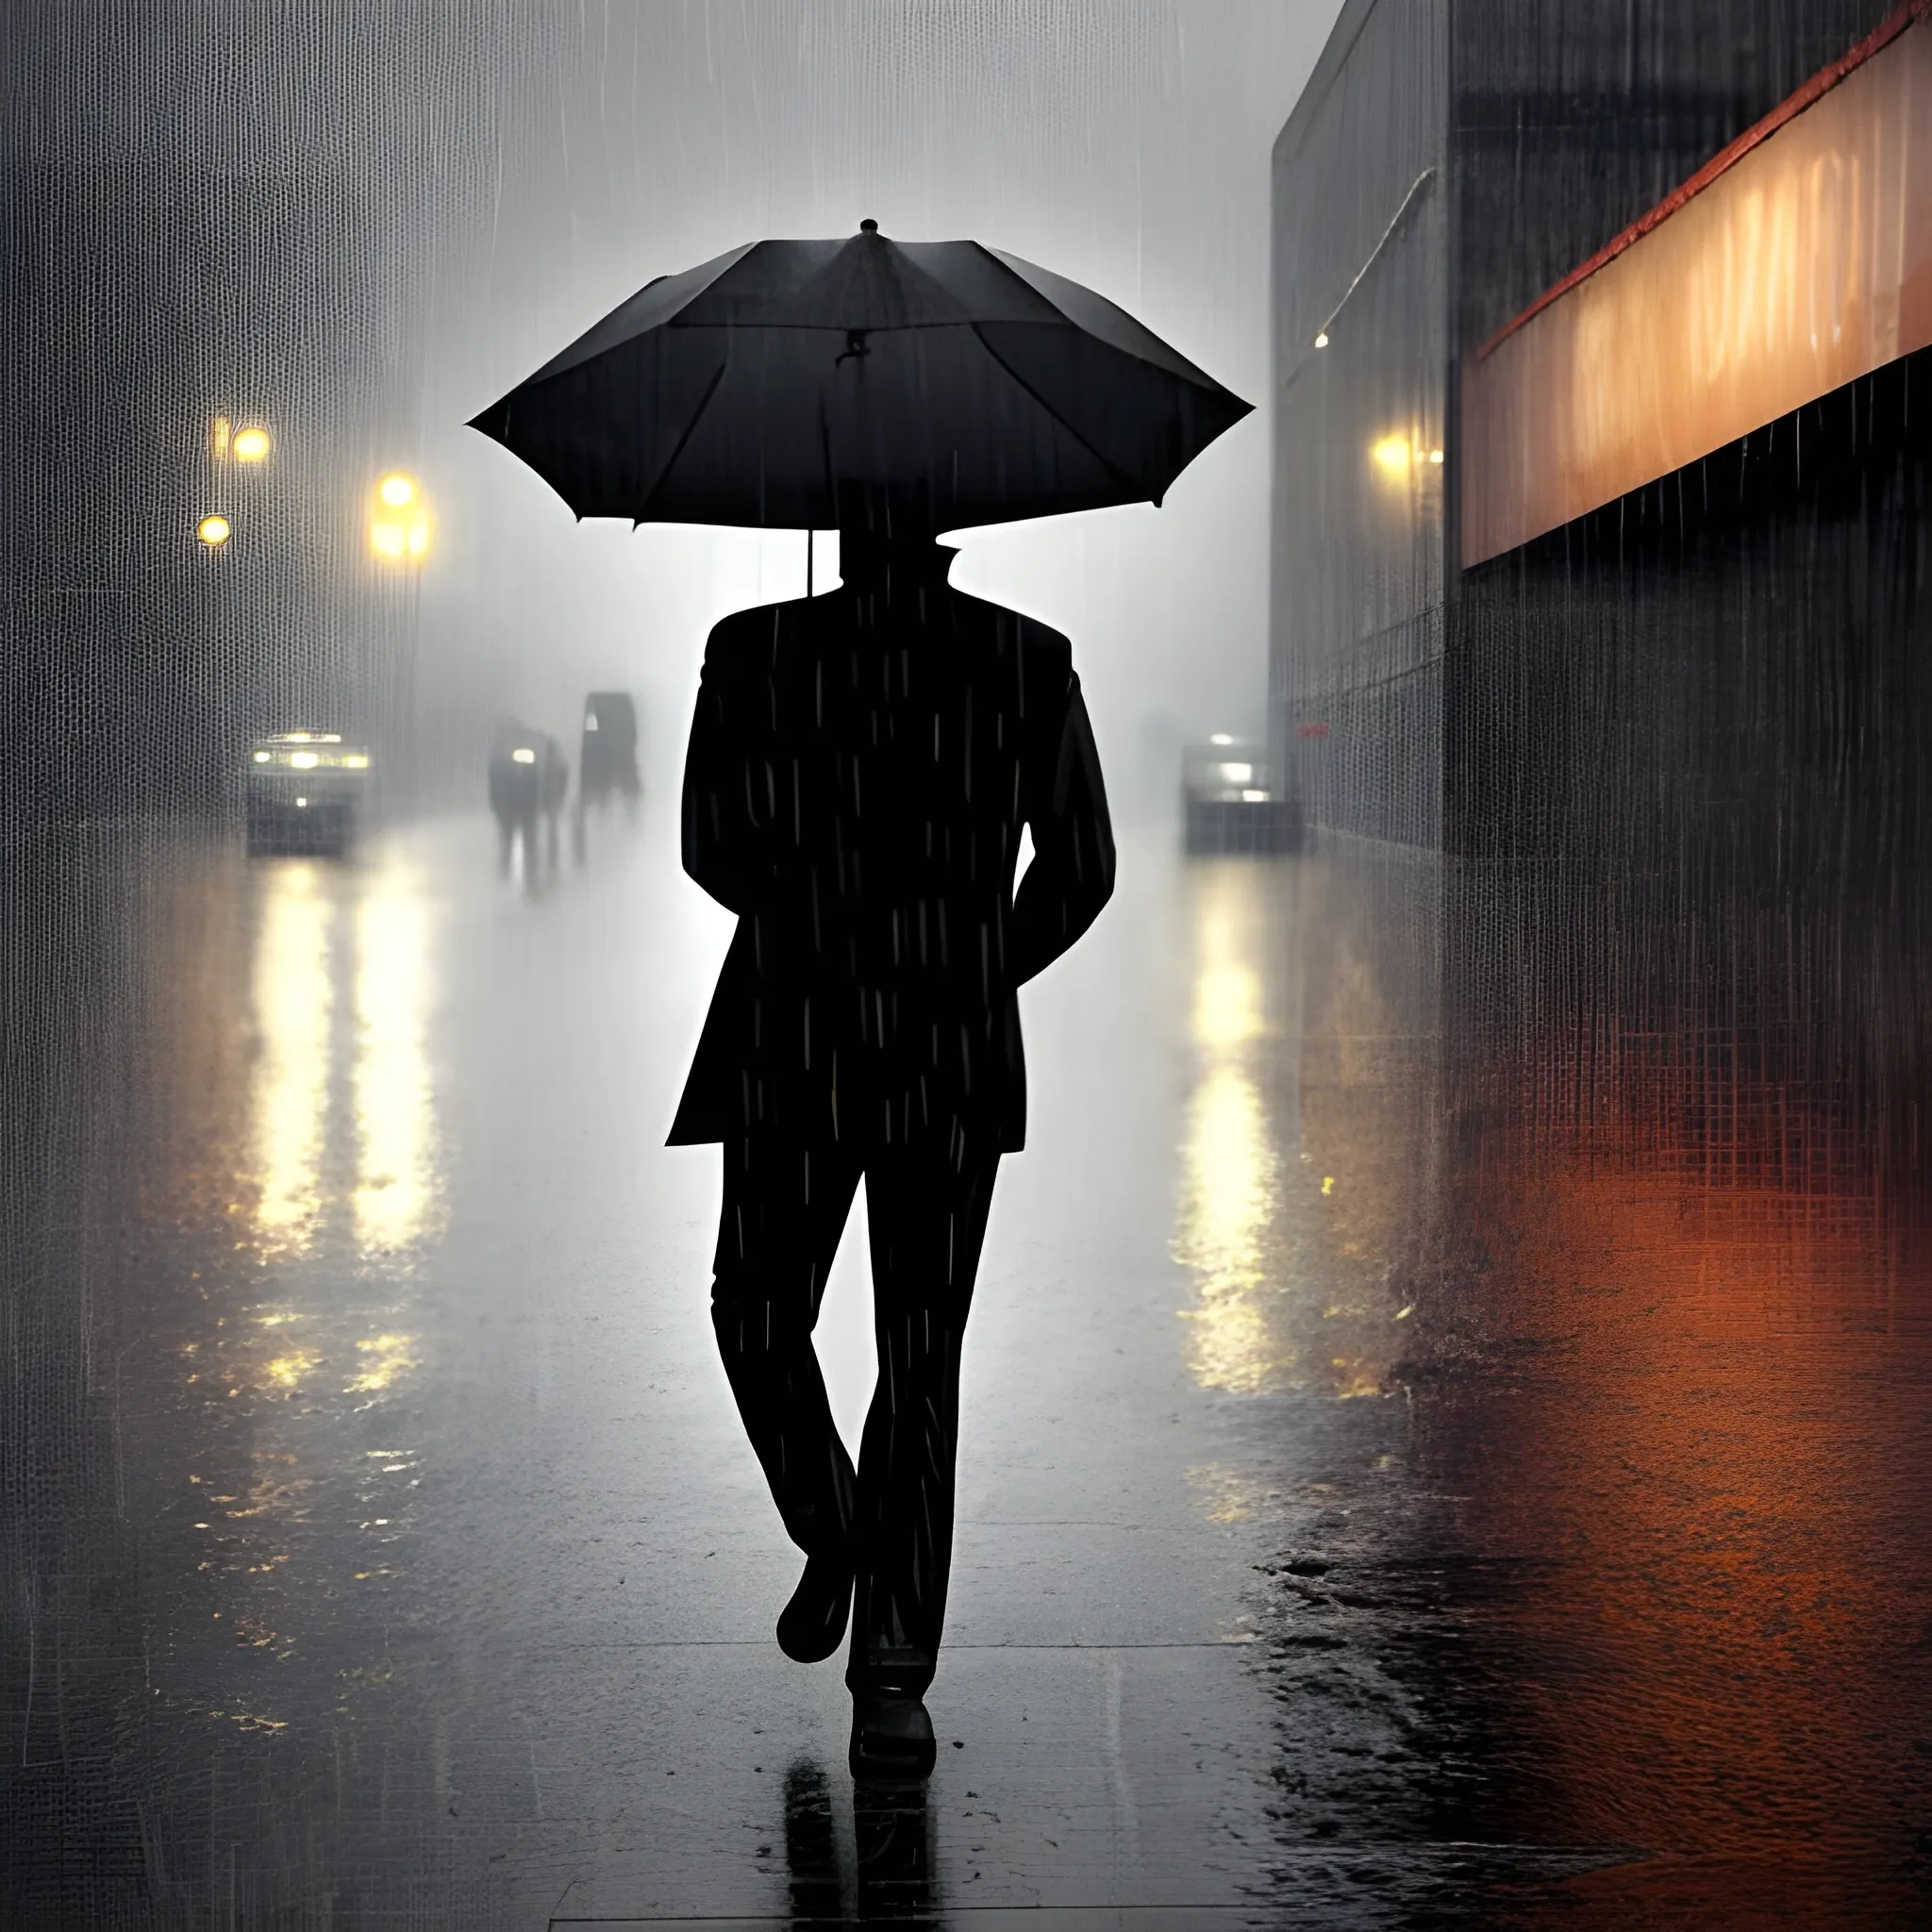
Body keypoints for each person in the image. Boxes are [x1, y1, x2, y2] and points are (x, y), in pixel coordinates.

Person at [670, 502, 1115, 1779]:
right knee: (920, 1359)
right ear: (949, 535)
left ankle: (837, 1530)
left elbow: (711, 849)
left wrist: (824, 919)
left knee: (755, 1312)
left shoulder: (750, 652)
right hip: (944, 1057)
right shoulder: (1027, 659)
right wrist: (973, 970)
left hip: (790, 1041)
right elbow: (1080, 866)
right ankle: (893, 1669)